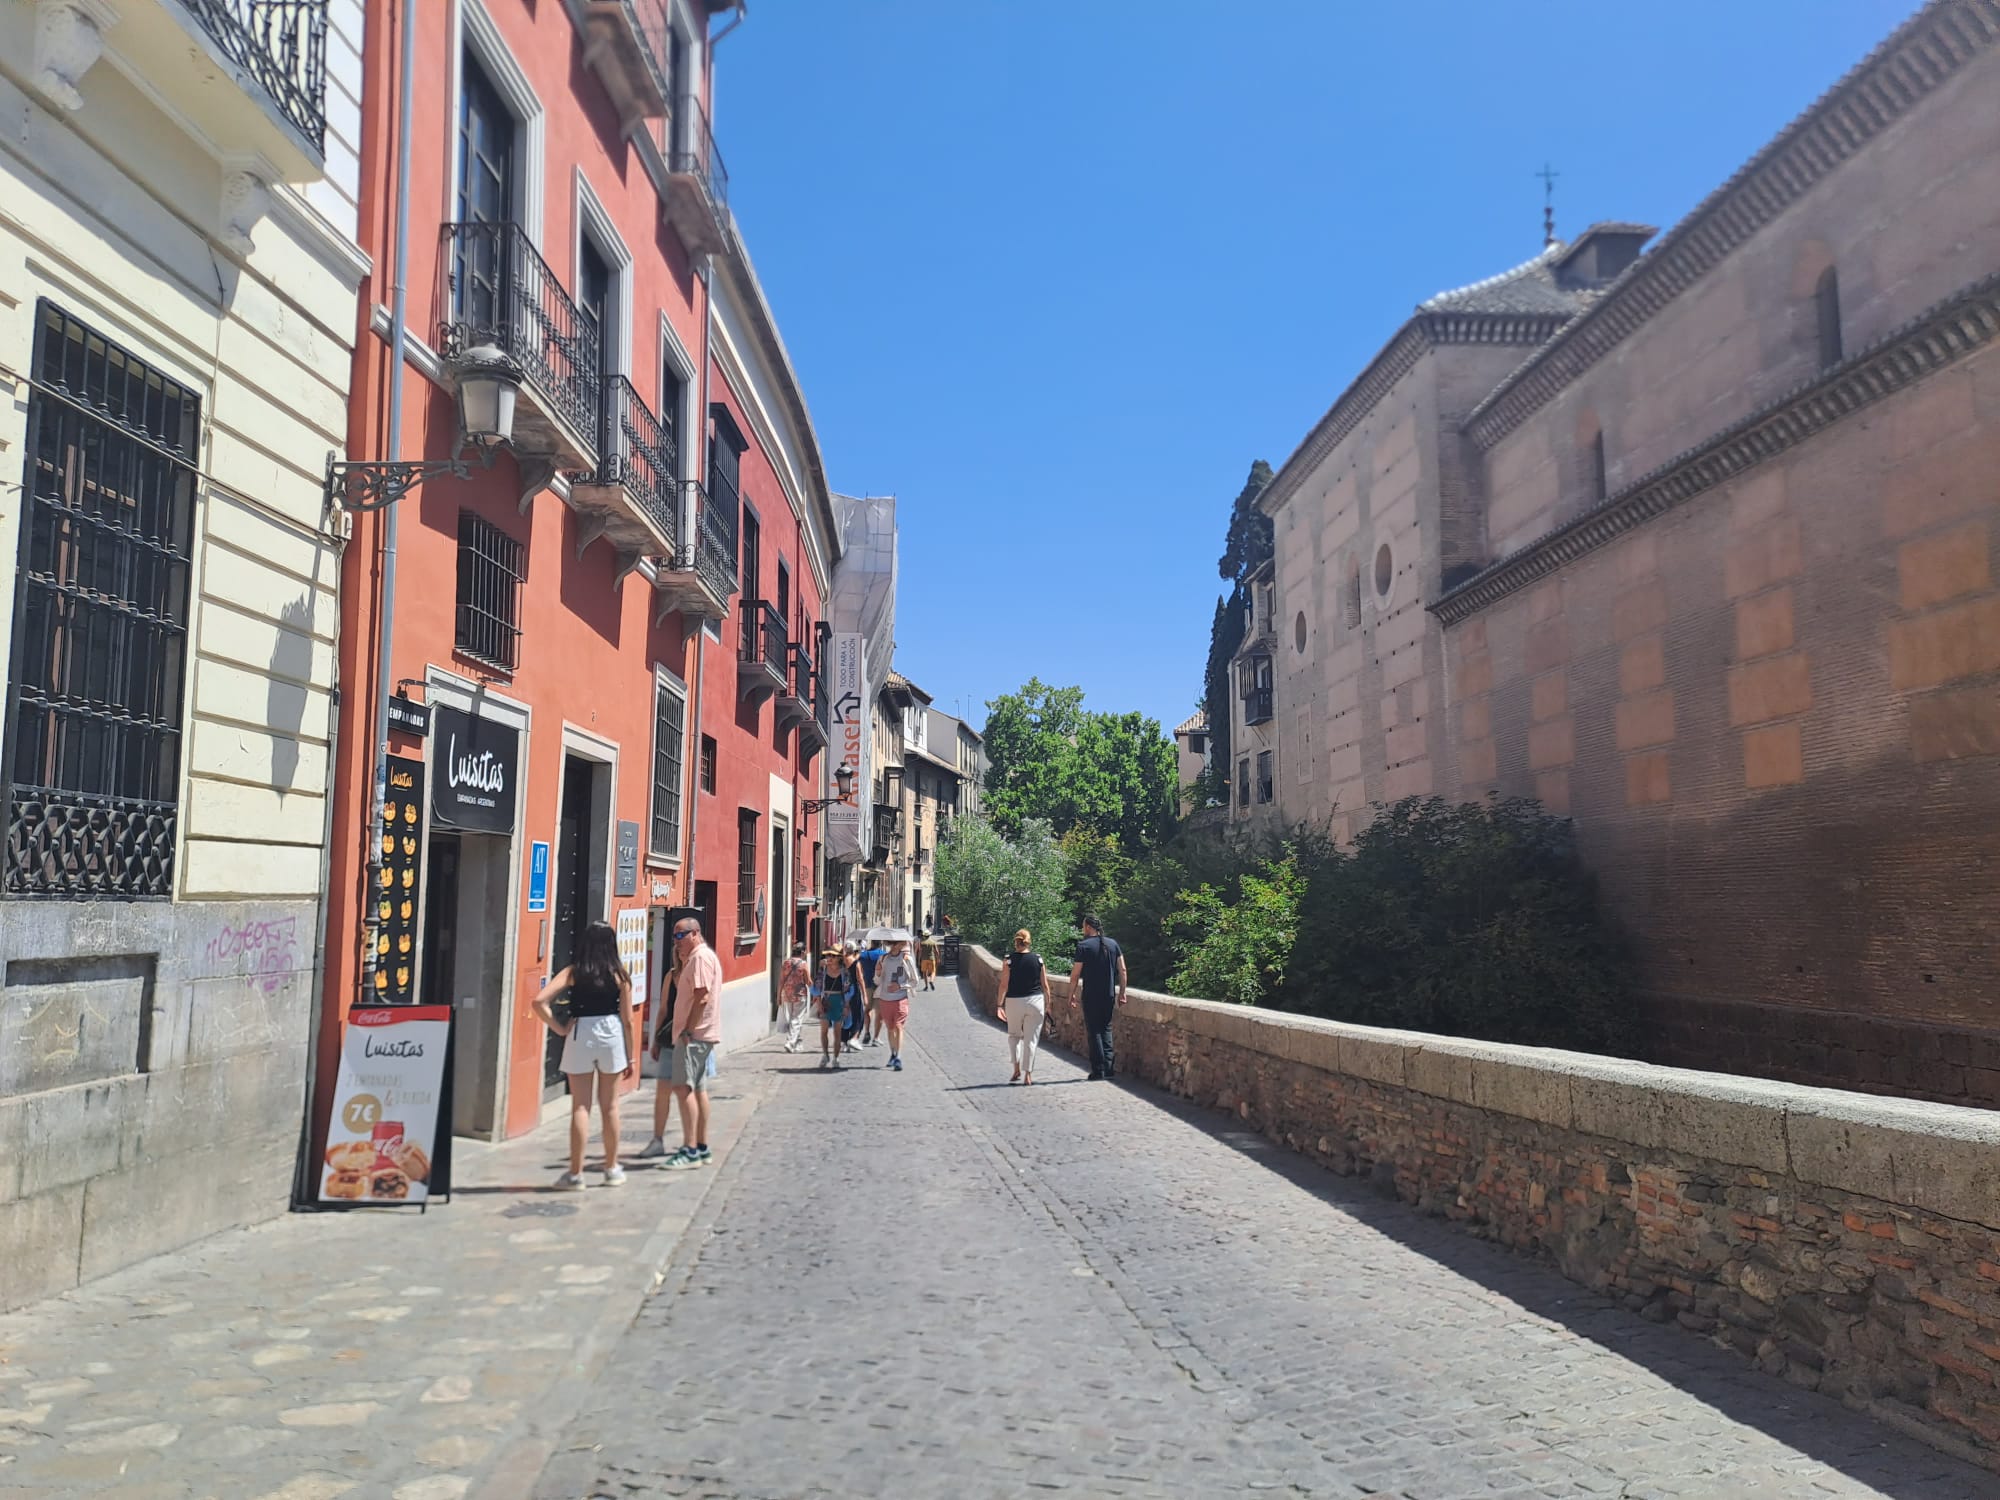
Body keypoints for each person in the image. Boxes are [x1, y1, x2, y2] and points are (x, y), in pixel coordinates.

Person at [532, 921, 636, 1189]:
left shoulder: (573, 972)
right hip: (611, 1033)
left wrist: (559, 1028)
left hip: (581, 1032)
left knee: (580, 1105)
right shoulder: (620, 975)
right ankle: (612, 1169)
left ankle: (576, 1174)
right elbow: (628, 1020)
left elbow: (539, 1001)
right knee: (611, 1106)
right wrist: (631, 1055)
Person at [664, 916, 723, 1168]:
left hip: (694, 1036)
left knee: (682, 1089)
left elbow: (701, 996)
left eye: (681, 935)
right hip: (699, 1035)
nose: (676, 941)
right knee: (698, 1090)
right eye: (674, 936)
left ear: (695, 933)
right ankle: (701, 1146)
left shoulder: (699, 958)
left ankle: (689, 1150)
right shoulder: (700, 957)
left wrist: (688, 1030)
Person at [1068, 914, 1128, 1082]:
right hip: (1108, 994)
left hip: (1091, 995)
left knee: (1094, 1031)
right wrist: (1122, 993)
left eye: (1082, 926)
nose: (1082, 930)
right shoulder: (1113, 944)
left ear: (1088, 927)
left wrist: (1071, 994)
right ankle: (1109, 1068)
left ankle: (1098, 1069)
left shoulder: (1084, 946)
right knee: (1106, 1029)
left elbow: (1075, 974)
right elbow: (1122, 970)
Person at [999, 929, 1047, 1086]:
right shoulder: (1038, 959)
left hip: (1014, 1001)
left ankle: (1016, 1069)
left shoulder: (1009, 960)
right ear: (1029, 941)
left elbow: (1004, 984)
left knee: (1014, 1036)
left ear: (1016, 941)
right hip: (1036, 1000)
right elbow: (1045, 985)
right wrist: (1049, 1004)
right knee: (1031, 1040)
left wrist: (999, 1004)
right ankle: (1028, 1075)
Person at [873, 935, 917, 1072]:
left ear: (900, 944)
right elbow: (876, 981)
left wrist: (900, 986)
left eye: (894, 943)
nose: (891, 946)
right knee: (890, 1028)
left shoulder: (906, 959)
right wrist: (878, 973)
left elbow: (914, 981)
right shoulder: (883, 959)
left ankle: (898, 1057)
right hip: (885, 999)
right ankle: (892, 1053)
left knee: (899, 1027)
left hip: (900, 999)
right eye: (890, 943)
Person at [813, 949, 852, 1068]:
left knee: (837, 1032)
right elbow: (816, 988)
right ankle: (825, 1055)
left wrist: (846, 1006)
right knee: (824, 1030)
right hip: (826, 1002)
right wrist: (819, 1004)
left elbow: (848, 990)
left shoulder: (844, 972)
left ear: (839, 958)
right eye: (828, 955)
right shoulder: (823, 970)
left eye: (833, 956)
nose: (830, 958)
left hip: (839, 1002)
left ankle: (836, 1057)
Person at [777, 944, 813, 1052]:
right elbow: (808, 981)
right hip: (799, 995)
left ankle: (797, 1044)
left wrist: (778, 996)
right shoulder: (803, 964)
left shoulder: (786, 963)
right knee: (796, 1019)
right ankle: (790, 1042)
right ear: (802, 952)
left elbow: (781, 981)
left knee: (793, 1020)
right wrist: (815, 989)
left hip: (787, 995)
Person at [858, 935, 887, 1045]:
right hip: (880, 986)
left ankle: (866, 1032)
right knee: (880, 1014)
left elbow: (859, 969)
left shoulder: (864, 955)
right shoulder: (884, 956)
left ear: (872, 943)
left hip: (867, 985)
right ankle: (876, 1038)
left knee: (867, 1010)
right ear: (880, 944)